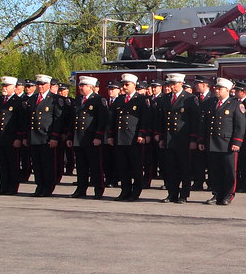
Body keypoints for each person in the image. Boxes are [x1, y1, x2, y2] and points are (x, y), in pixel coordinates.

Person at [199, 77, 246, 206]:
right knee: (215, 170)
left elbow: (240, 125)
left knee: (229, 171)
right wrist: (202, 140)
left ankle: (228, 194)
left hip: (227, 143)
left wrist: (237, 142)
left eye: (220, 88)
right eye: (216, 88)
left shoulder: (235, 104)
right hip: (213, 142)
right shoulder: (211, 103)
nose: (217, 90)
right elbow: (205, 123)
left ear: (227, 90)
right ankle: (216, 193)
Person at [107, 74, 150, 202]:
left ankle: (136, 191)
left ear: (134, 85)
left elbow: (145, 119)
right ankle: (125, 190)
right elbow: (112, 119)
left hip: (134, 138)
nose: (124, 87)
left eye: (127, 85)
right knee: (122, 166)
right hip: (120, 138)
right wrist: (110, 135)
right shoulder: (119, 100)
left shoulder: (141, 100)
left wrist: (142, 134)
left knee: (135, 166)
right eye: (123, 85)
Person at [156, 73, 198, 203]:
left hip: (183, 139)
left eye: (174, 84)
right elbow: (163, 120)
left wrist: (193, 139)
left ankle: (184, 195)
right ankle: (172, 193)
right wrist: (162, 138)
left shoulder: (190, 99)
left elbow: (194, 121)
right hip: (169, 139)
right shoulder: (165, 98)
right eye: (170, 84)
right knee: (170, 169)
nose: (172, 87)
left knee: (184, 168)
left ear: (181, 84)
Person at [25, 74, 65, 197]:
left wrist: (54, 137)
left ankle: (48, 187)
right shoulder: (33, 99)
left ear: (48, 85)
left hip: (46, 137)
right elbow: (27, 119)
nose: (40, 86)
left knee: (48, 165)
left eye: (43, 84)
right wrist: (26, 137)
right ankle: (39, 186)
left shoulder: (54, 99)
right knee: (37, 165)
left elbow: (58, 120)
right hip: (34, 137)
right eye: (38, 84)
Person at [69, 76, 108, 199]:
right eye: (80, 85)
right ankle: (81, 189)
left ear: (90, 87)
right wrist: (71, 137)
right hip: (79, 138)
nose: (80, 88)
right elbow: (73, 120)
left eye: (83, 85)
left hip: (91, 138)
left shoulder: (98, 100)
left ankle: (98, 189)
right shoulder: (78, 100)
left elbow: (102, 120)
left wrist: (98, 136)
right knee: (81, 167)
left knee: (95, 166)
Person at [0, 77, 25, 195]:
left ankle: (12, 187)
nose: (4, 88)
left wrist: (19, 137)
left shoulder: (18, 101)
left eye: (7, 86)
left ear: (14, 87)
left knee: (13, 164)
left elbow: (21, 122)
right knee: (2, 164)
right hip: (0, 137)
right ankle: (3, 186)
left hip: (11, 138)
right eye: (3, 86)